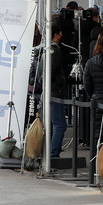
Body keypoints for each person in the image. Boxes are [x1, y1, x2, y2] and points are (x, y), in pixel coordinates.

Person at [37, 23, 68, 158]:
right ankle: (53, 154)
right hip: (53, 92)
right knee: (60, 124)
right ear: (56, 35)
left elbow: (39, 71)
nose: (62, 36)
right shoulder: (55, 50)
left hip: (46, 91)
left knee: (47, 125)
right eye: (60, 33)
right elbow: (50, 71)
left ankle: (46, 153)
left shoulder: (43, 48)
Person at [83, 31, 103, 143]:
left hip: (97, 101)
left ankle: (98, 159)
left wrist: (93, 96)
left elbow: (87, 84)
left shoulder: (90, 63)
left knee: (98, 135)